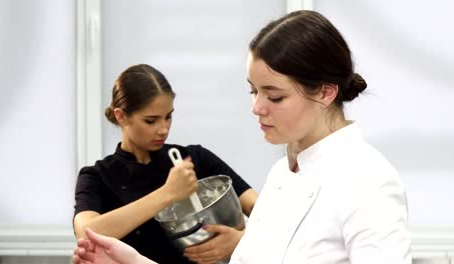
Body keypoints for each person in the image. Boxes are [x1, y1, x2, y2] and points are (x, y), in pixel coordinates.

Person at [73, 10, 411, 264]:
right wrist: (133, 261)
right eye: (253, 91)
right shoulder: (281, 176)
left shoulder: (368, 181)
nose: (257, 108)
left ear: (325, 92)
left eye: (274, 96)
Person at [73, 64, 258, 264]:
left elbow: (269, 212)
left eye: (168, 117)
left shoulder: (196, 159)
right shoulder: (97, 176)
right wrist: (168, 193)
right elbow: (87, 232)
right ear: (121, 116)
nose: (163, 129)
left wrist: (242, 239)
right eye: (151, 121)